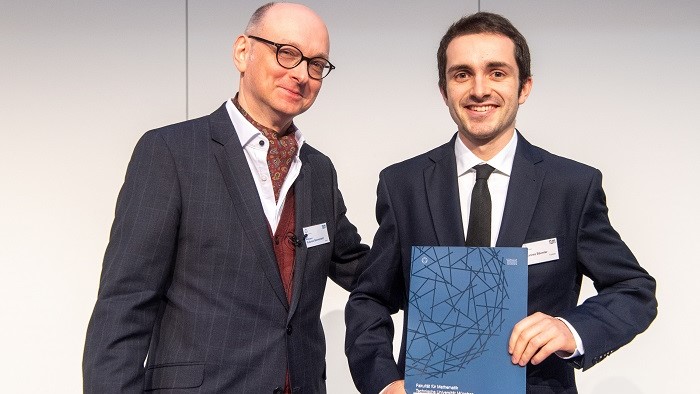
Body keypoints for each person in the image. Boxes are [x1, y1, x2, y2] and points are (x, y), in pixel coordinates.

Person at [345, 11, 657, 394]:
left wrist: (569, 330)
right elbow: (370, 298)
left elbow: (633, 290)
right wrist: (384, 383)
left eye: (497, 72)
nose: (479, 90)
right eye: (462, 74)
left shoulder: (571, 185)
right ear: (444, 90)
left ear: (524, 87)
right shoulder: (402, 184)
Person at [83, 2, 369, 393]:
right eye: (287, 53)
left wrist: (452, 277)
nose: (301, 74)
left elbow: (360, 267)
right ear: (242, 51)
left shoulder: (318, 170)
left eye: (317, 64)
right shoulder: (171, 152)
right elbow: (125, 304)